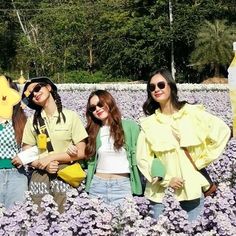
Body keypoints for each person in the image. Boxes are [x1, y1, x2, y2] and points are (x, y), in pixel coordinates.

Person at [136, 68, 230, 221]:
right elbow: (143, 159)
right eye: (151, 87)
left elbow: (222, 131)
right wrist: (167, 179)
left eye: (161, 85)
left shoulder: (192, 113)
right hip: (161, 195)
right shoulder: (149, 124)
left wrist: (199, 162)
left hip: (192, 190)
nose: (156, 90)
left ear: (171, 86)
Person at [13, 77, 88, 212]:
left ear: (49, 87)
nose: (35, 94)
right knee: (38, 217)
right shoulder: (32, 121)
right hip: (40, 176)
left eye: (37, 89)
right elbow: (26, 153)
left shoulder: (71, 117)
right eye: (31, 95)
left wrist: (51, 158)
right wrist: (43, 164)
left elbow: (82, 152)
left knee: (66, 216)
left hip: (65, 175)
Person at [83, 90, 143, 205]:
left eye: (100, 104)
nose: (97, 109)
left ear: (109, 102)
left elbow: (144, 151)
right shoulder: (91, 132)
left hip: (122, 186)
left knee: (123, 222)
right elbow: (84, 159)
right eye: (93, 108)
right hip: (97, 186)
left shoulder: (130, 127)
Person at [0, 76, 28, 209]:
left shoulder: (21, 120)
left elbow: (33, 148)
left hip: (16, 175)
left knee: (17, 220)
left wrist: (24, 157)